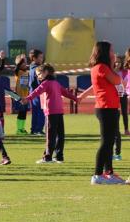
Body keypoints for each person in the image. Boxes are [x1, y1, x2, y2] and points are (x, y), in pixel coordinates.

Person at [78, 42, 127, 185]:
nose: (114, 53)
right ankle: (97, 174)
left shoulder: (102, 67)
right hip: (106, 109)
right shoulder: (101, 67)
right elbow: (117, 80)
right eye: (111, 51)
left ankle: (108, 173)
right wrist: (113, 65)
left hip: (109, 108)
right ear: (105, 52)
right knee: (106, 142)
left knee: (109, 142)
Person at [22, 64, 77, 164]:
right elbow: (66, 93)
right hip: (59, 111)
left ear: (46, 72)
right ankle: (59, 157)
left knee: (50, 135)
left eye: (39, 74)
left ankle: (47, 157)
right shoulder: (56, 83)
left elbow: (36, 92)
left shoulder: (46, 83)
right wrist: (76, 99)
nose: (38, 76)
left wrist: (27, 99)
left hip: (50, 112)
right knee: (60, 135)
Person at [28, 49, 46, 135]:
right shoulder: (37, 69)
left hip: (33, 92)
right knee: (41, 111)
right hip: (38, 92)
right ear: (34, 58)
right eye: (40, 57)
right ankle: (38, 129)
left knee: (35, 112)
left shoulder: (31, 67)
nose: (42, 59)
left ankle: (34, 129)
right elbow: (40, 81)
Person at [13, 54, 31, 134]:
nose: (25, 64)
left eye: (25, 62)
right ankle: (19, 129)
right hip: (20, 97)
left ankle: (22, 128)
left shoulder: (25, 72)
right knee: (21, 113)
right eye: (22, 63)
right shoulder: (19, 72)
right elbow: (24, 85)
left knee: (24, 113)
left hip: (25, 96)